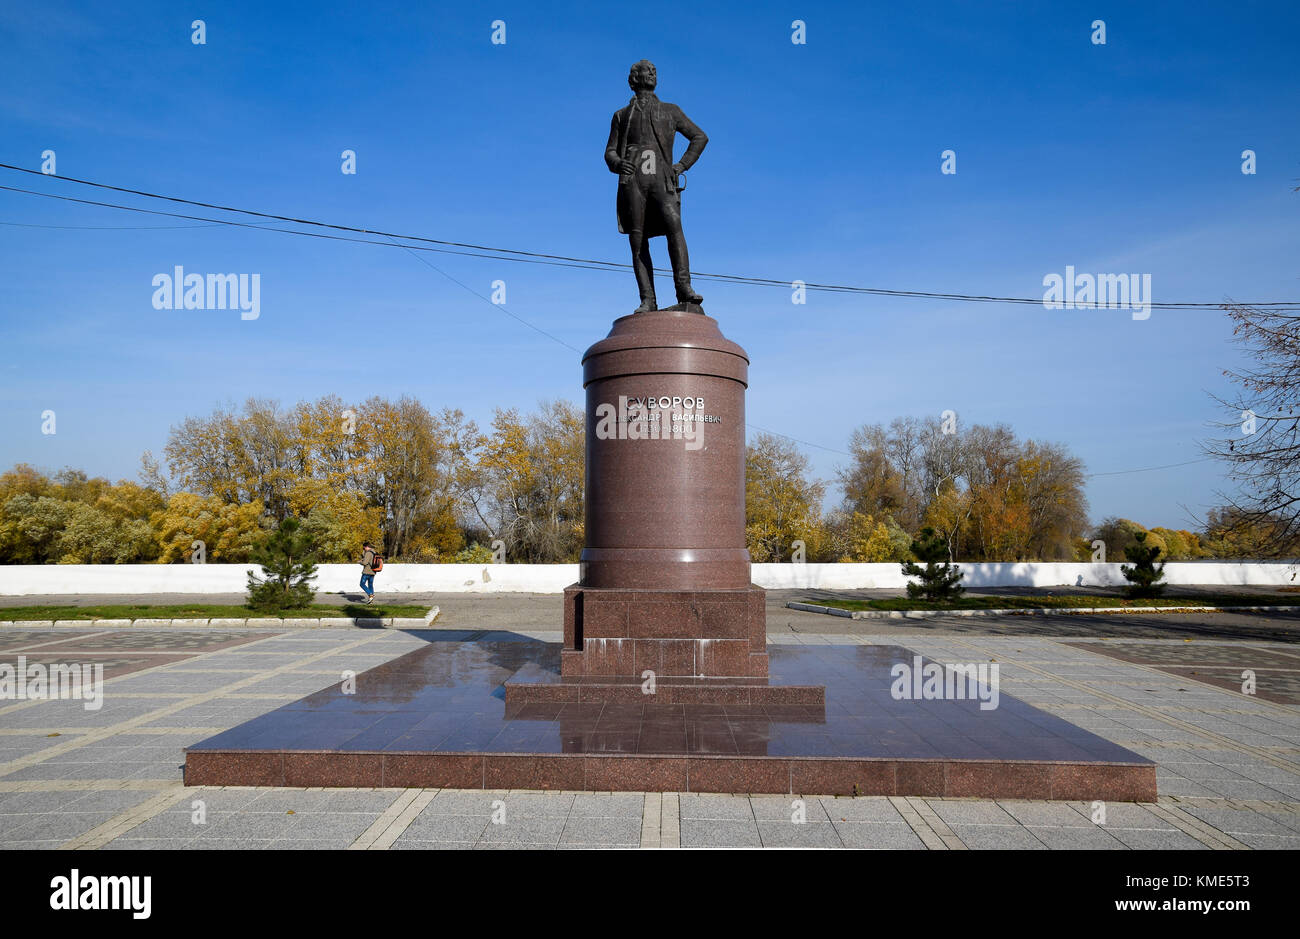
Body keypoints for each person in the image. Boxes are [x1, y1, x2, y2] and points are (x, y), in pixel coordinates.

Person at [604, 59, 708, 313]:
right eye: (644, 71)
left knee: (675, 229)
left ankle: (684, 288)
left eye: (653, 71)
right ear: (633, 80)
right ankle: (648, 299)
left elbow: (699, 136)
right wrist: (618, 163)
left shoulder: (671, 111)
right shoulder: (621, 116)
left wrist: (681, 166)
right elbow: (609, 152)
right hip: (634, 183)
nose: (650, 73)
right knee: (637, 240)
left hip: (663, 180)